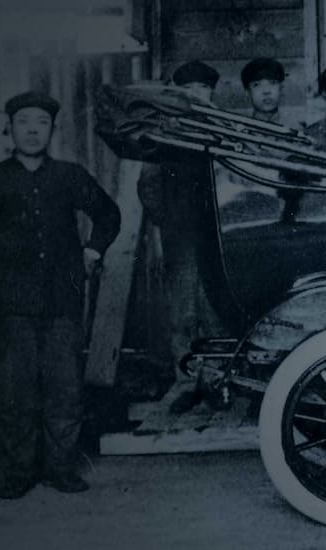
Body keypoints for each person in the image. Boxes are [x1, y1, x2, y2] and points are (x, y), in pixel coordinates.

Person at [0, 91, 121, 498]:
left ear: (52, 129)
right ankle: (17, 470)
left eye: (41, 123)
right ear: (9, 128)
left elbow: (108, 214)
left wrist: (92, 250)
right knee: (16, 389)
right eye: (23, 122)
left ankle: (60, 467)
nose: (32, 130)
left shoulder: (69, 176)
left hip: (63, 302)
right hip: (11, 305)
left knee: (64, 387)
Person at [137, 61, 224, 411]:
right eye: (190, 89)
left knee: (216, 307)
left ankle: (218, 380)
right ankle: (186, 380)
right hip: (181, 236)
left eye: (203, 89)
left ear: (211, 93)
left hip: (217, 237)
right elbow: (148, 185)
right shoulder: (165, 132)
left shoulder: (224, 129)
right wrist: (169, 222)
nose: (197, 95)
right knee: (183, 310)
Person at [241, 57, 287, 124]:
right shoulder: (241, 131)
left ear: (281, 87)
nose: (266, 91)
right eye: (257, 85)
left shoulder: (297, 130)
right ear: (247, 92)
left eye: (272, 83)